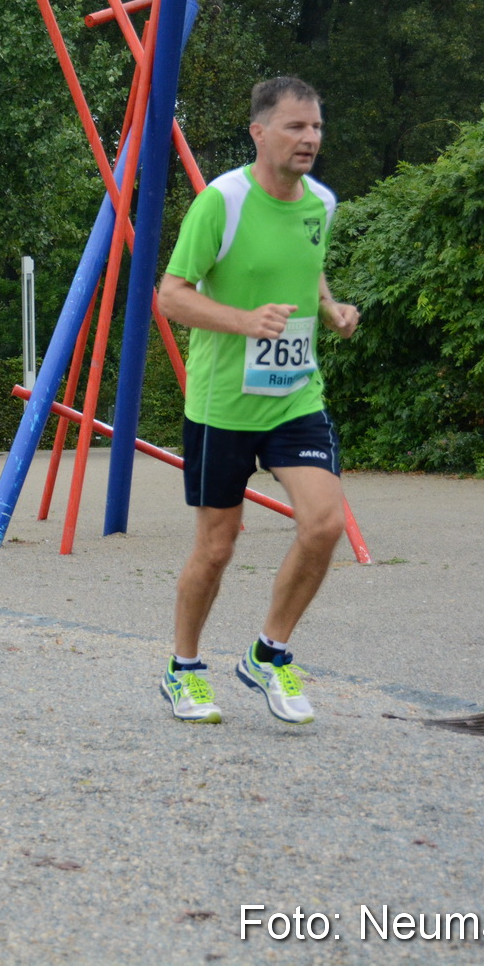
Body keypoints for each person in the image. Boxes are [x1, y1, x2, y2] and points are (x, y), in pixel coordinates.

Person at [154, 76, 360, 726]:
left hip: (296, 395)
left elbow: (308, 264)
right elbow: (171, 295)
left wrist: (329, 307)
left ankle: (269, 653)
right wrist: (245, 321)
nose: (310, 138)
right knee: (216, 547)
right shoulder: (223, 202)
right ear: (259, 132)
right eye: (296, 126)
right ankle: (184, 668)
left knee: (324, 524)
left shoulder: (322, 203)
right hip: (222, 406)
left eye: (317, 126)